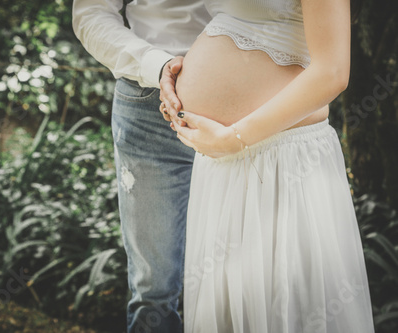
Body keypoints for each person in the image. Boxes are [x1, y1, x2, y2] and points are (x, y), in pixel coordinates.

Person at [159, 0, 375, 331]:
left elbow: (332, 72)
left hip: (281, 163)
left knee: (284, 307)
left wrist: (235, 138)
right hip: (221, 165)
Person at [72, 1, 211, 332]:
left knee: (244, 280)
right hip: (151, 108)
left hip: (255, 107)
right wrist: (156, 65)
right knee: (155, 290)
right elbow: (90, 13)